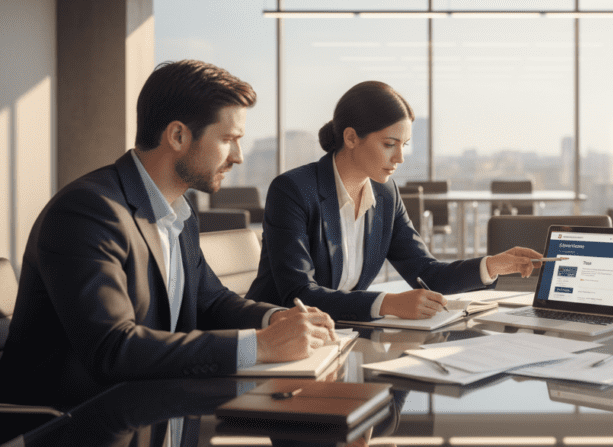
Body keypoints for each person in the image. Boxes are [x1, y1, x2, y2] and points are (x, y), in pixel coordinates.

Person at [0, 60, 336, 409]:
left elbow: (212, 302)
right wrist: (261, 345)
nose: (237, 156)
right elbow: (113, 349)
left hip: (151, 407)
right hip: (71, 424)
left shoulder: (179, 212)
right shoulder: (87, 212)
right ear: (177, 136)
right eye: (228, 139)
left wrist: (276, 319)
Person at [246, 81, 542, 321]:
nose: (399, 158)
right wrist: (387, 304)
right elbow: (299, 294)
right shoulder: (293, 190)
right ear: (351, 138)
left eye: (404, 146)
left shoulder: (385, 195)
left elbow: (426, 273)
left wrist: (492, 265)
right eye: (389, 145)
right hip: (278, 337)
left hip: (343, 334)